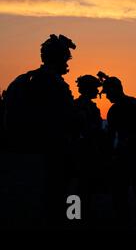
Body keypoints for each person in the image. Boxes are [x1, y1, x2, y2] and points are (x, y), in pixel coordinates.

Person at [3, 34, 77, 227]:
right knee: (57, 208)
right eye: (66, 58)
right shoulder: (53, 84)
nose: (68, 62)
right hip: (49, 157)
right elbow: (67, 120)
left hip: (21, 156)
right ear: (59, 58)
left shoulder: (21, 81)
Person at [98, 71, 136, 228]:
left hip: (134, 157)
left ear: (115, 90)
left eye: (107, 93)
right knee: (129, 194)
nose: (106, 97)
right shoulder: (132, 105)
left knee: (131, 194)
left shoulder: (124, 108)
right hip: (129, 157)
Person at [73, 74, 105, 225]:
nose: (97, 92)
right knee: (83, 188)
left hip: (86, 151)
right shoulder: (83, 106)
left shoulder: (81, 105)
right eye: (95, 88)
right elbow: (87, 129)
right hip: (85, 152)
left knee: (85, 188)